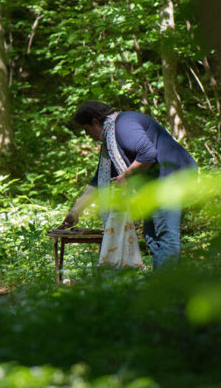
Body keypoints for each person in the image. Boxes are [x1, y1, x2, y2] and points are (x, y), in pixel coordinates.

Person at [62, 100, 197, 269]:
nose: (87, 134)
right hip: (154, 185)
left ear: (95, 121)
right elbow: (98, 182)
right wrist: (75, 211)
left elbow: (148, 154)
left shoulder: (123, 125)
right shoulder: (110, 143)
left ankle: (167, 287)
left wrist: (125, 176)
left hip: (173, 177)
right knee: (151, 236)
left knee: (164, 234)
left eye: (86, 129)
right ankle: (161, 284)